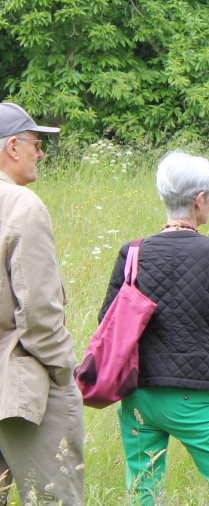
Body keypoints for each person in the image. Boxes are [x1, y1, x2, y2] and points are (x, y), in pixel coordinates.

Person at [98, 152, 209, 505]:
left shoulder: (132, 252)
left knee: (143, 488)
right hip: (194, 392)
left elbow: (107, 321)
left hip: (138, 392)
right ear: (199, 199)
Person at [0, 102, 84, 505]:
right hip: (21, 385)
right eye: (35, 142)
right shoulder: (21, 206)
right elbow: (37, 315)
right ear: (12, 147)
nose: (41, 152)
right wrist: (63, 369)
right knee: (54, 497)